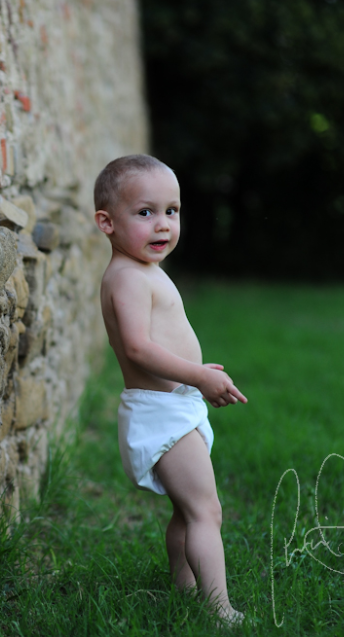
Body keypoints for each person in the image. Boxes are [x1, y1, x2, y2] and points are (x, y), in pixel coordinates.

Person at [93, 154, 246, 624]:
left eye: (171, 211)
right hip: (162, 411)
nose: (162, 225)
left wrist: (191, 373)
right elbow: (138, 349)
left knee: (186, 509)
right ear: (107, 223)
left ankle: (185, 587)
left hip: (173, 404)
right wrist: (197, 374)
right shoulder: (128, 278)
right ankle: (219, 609)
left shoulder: (143, 269)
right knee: (206, 511)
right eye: (145, 213)